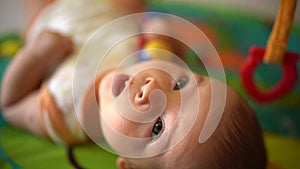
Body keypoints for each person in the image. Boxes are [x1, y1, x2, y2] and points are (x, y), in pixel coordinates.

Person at [1, 0, 268, 168]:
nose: (153, 90)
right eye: (181, 84)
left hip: (54, 13)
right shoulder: (152, 58)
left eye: (158, 128)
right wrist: (164, 34)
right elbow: (170, 48)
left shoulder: (63, 116)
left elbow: (11, 105)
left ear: (128, 165)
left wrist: (35, 56)